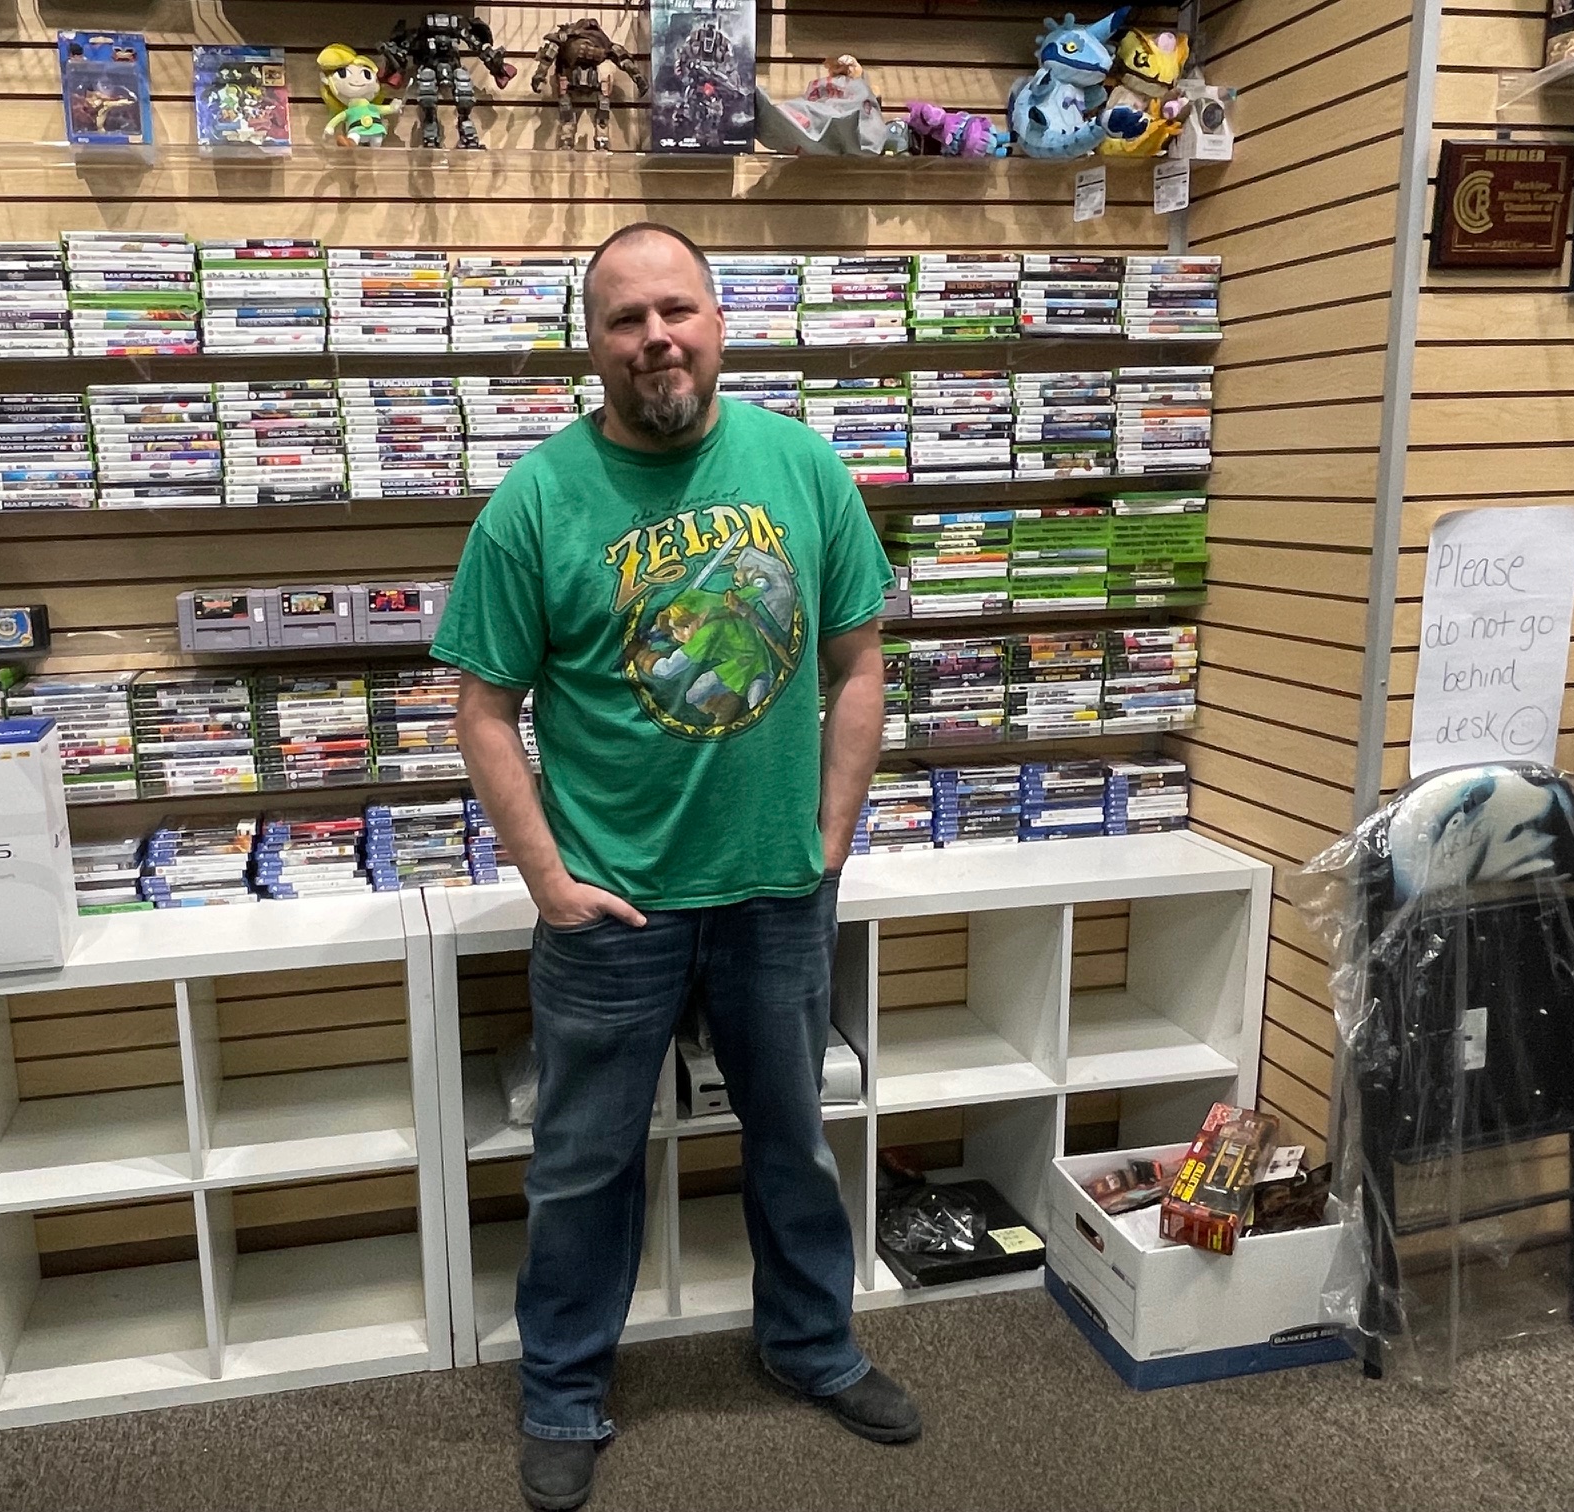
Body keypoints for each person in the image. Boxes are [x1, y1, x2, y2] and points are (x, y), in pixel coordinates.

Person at [432, 222, 918, 1512]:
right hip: (614, 906)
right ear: (592, 344)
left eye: (677, 311)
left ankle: (812, 1346)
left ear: (717, 321)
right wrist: (548, 882)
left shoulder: (800, 466)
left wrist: (830, 838)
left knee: (793, 1141)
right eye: (625, 319)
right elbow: (483, 709)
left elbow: (858, 663)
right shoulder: (538, 499)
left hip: (776, 890)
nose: (656, 338)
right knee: (582, 1163)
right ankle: (563, 1389)